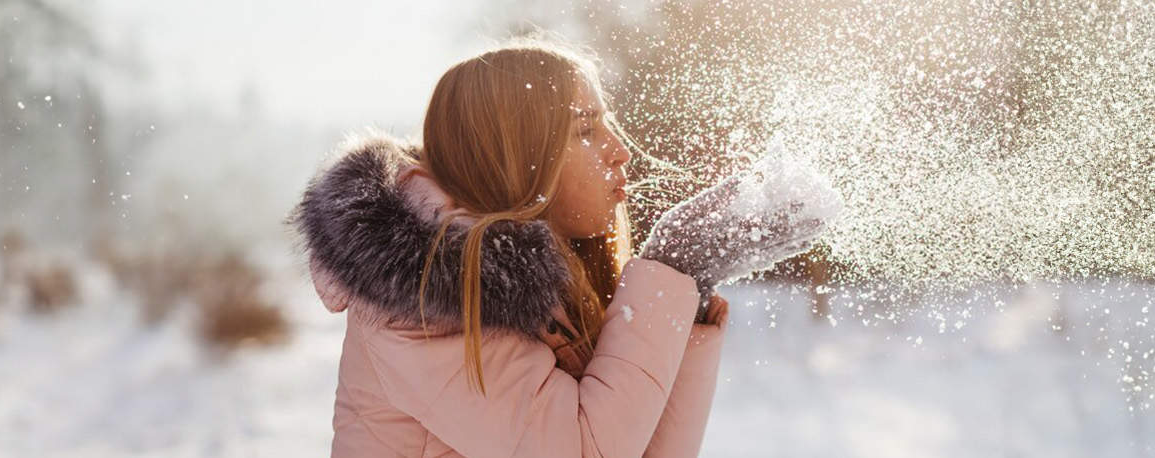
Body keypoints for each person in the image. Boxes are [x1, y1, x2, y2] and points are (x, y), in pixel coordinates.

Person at [289, 39, 826, 457]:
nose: (621, 151)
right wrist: (670, 265)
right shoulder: (426, 299)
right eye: (586, 129)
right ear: (515, 154)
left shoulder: (548, 277)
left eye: (606, 123)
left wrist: (686, 290)